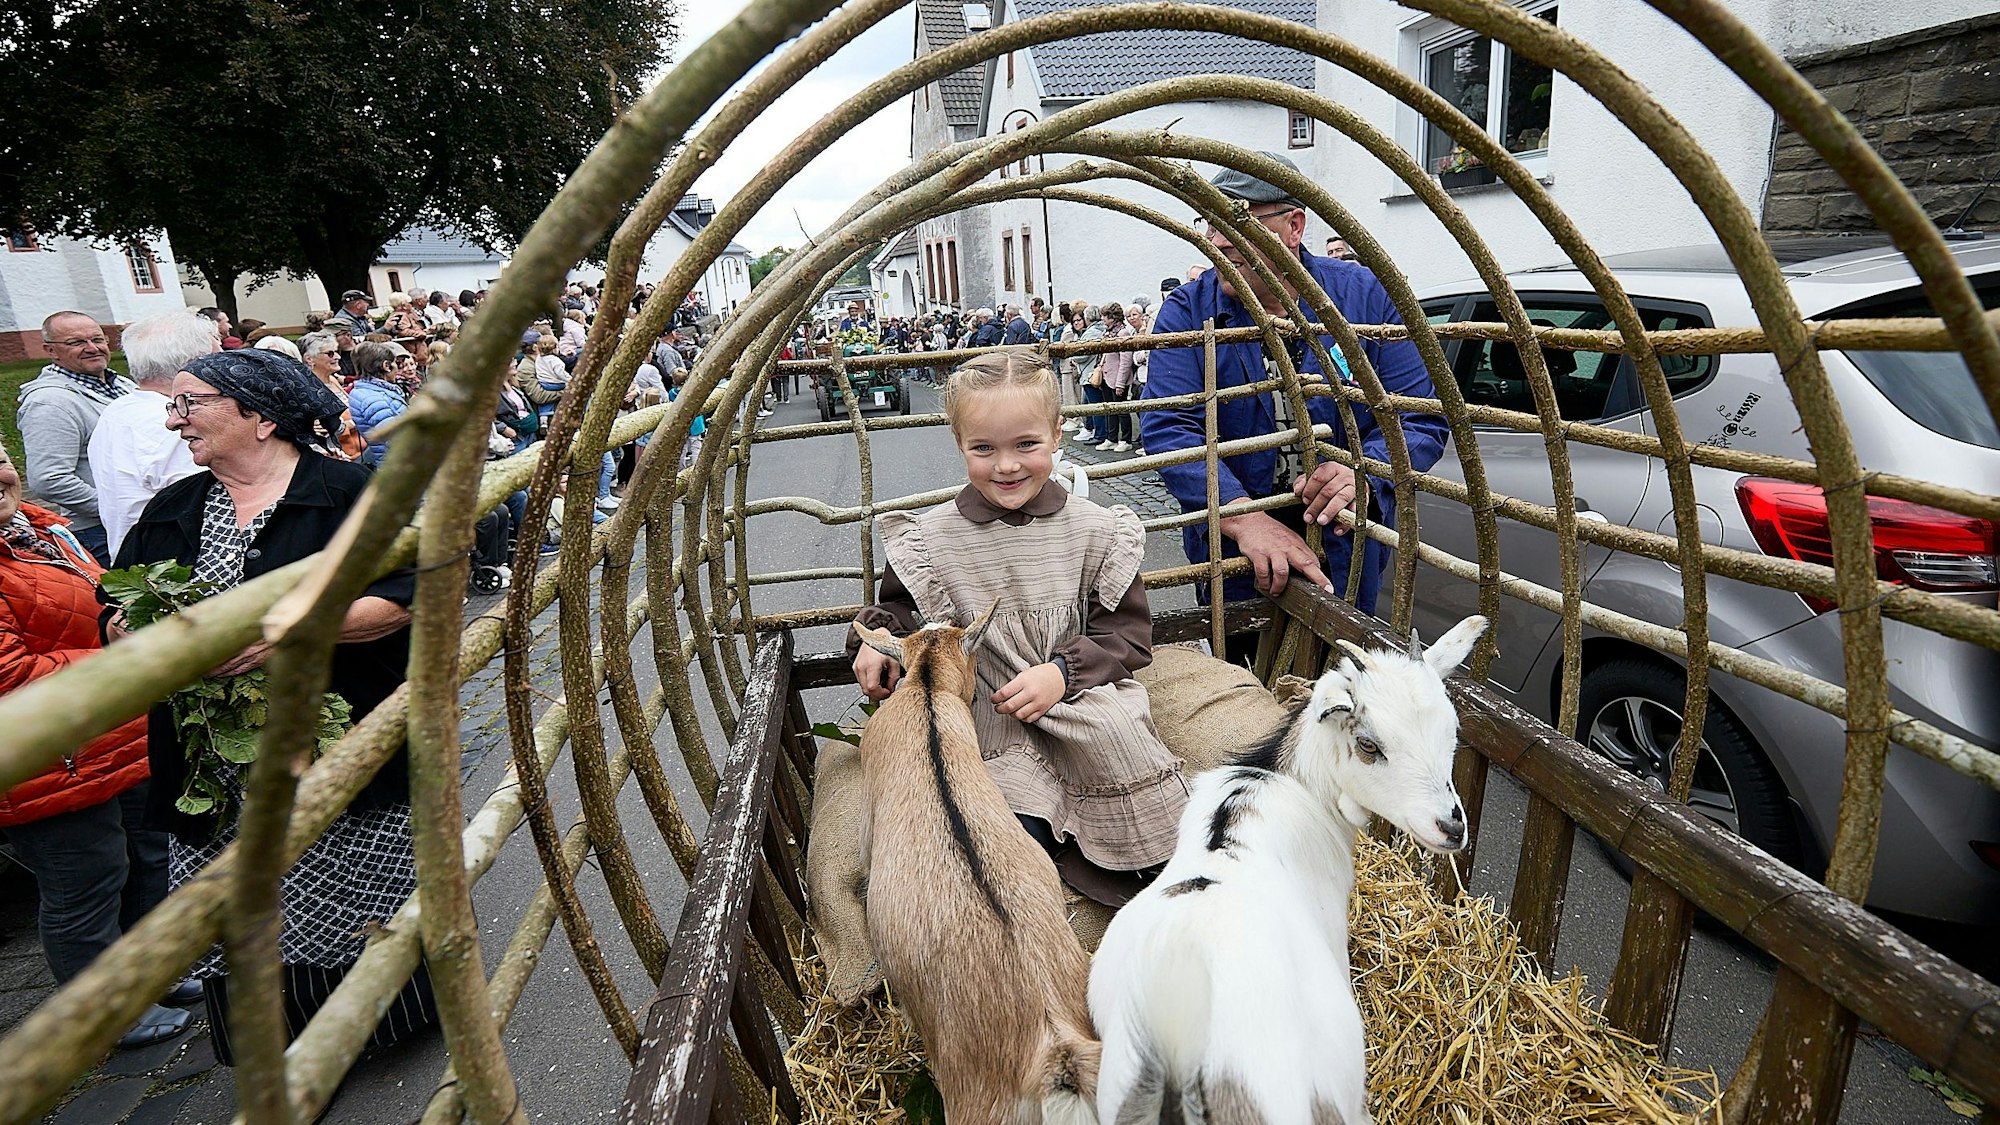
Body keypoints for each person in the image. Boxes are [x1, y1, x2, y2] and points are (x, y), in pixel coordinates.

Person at [114, 347, 435, 1065]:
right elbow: (120, 598)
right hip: (214, 761)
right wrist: (128, 628)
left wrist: (283, 634)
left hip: (333, 737)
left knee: (352, 878)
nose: (173, 420)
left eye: (190, 403)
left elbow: (407, 595)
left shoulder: (347, 492)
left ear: (258, 417)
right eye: (174, 404)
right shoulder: (174, 509)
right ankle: (273, 1045)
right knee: (242, 898)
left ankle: (382, 1027)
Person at [846, 350, 1187, 905]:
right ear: (959, 443)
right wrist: (879, 646)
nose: (1005, 466)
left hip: (1078, 700)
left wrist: (1061, 673)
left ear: (1057, 435)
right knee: (999, 839)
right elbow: (904, 613)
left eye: (1025, 444)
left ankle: (1148, 880)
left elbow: (1126, 636)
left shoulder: (1096, 532)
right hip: (987, 713)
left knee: (1150, 832)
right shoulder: (932, 539)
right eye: (984, 449)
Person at [1139, 153, 1448, 631]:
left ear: (1294, 227)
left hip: (1344, 539)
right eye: (1210, 224)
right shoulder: (1186, 313)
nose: (1217, 242)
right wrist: (1243, 518)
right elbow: (1169, 425)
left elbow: (1420, 417)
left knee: (1339, 677)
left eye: (1236, 223)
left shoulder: (1365, 296)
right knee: (1239, 678)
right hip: (1236, 554)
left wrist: (1363, 472)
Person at [0, 445, 194, 1049]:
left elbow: (108, 599)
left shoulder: (43, 528)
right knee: (84, 882)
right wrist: (120, 653)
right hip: (45, 758)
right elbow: (8, 676)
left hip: (115, 730)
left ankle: (150, 974)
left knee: (146, 855)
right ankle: (102, 1013)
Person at [89, 313, 216, 557]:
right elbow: (208, 506)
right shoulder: (178, 424)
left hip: (137, 562)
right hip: (176, 570)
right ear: (194, 364)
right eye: (218, 356)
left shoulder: (119, 409)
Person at [17, 311, 137, 565]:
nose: (92, 348)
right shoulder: (49, 402)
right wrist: (117, 509)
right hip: (101, 532)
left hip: (137, 523)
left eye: (98, 339)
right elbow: (49, 479)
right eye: (76, 343)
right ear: (51, 350)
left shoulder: (123, 385)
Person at [297, 331, 366, 461]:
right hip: (341, 457)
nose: (338, 357)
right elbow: (328, 429)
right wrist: (356, 420)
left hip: (361, 448)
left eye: (336, 351)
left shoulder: (332, 380)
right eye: (330, 353)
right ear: (309, 359)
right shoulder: (309, 389)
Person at [1093, 303, 1137, 453]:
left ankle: (1126, 439)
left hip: (1118, 378)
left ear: (1112, 317)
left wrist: (1120, 383)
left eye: (1105, 316)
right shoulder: (1108, 333)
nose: (1103, 319)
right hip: (1107, 376)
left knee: (1122, 410)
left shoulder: (1122, 333)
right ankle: (1111, 438)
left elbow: (1125, 361)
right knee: (1110, 410)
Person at [1068, 305, 1106, 446]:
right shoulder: (1100, 329)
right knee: (1092, 404)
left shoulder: (1091, 333)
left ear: (1088, 318)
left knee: (1095, 406)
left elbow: (1082, 354)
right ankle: (1096, 431)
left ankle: (1100, 433)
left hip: (1090, 373)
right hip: (1092, 371)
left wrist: (1072, 356)